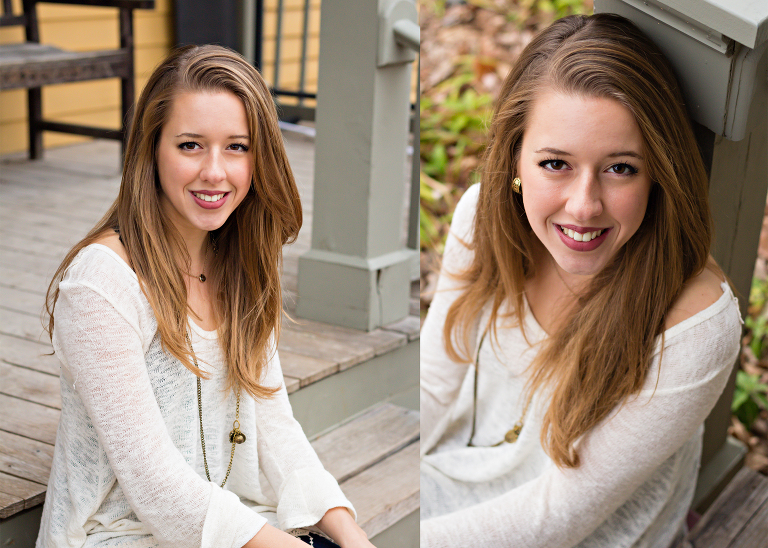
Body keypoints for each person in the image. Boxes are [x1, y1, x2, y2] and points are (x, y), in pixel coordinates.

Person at [420, 13, 742, 548]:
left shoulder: (695, 322)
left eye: (620, 168)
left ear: (658, 171)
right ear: (515, 158)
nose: (584, 206)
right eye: (555, 164)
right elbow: (434, 382)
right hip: (462, 480)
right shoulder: (483, 218)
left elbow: (557, 517)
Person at [38, 45, 375, 548]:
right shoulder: (100, 285)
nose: (215, 172)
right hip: (116, 535)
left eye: (237, 147)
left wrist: (351, 536)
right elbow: (153, 484)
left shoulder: (239, 266)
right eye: (191, 145)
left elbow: (276, 426)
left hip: (227, 522)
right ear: (151, 150)